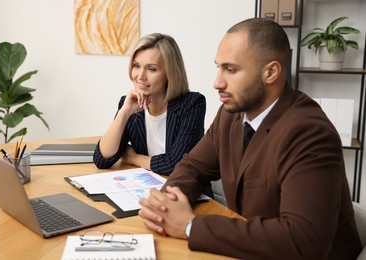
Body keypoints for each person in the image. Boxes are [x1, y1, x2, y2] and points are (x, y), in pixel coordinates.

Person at [138, 18, 362, 260]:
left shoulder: (309, 132)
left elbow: (303, 241)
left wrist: (191, 225)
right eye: (218, 68)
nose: (217, 82)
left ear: (271, 72)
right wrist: (167, 205)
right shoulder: (230, 114)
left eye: (231, 70)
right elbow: (194, 166)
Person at [93, 33, 207, 178]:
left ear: (170, 73)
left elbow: (175, 165)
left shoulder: (192, 104)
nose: (140, 76)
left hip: (184, 194)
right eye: (136, 66)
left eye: (151, 69)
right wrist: (124, 112)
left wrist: (133, 158)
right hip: (147, 189)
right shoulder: (129, 104)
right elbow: (102, 160)